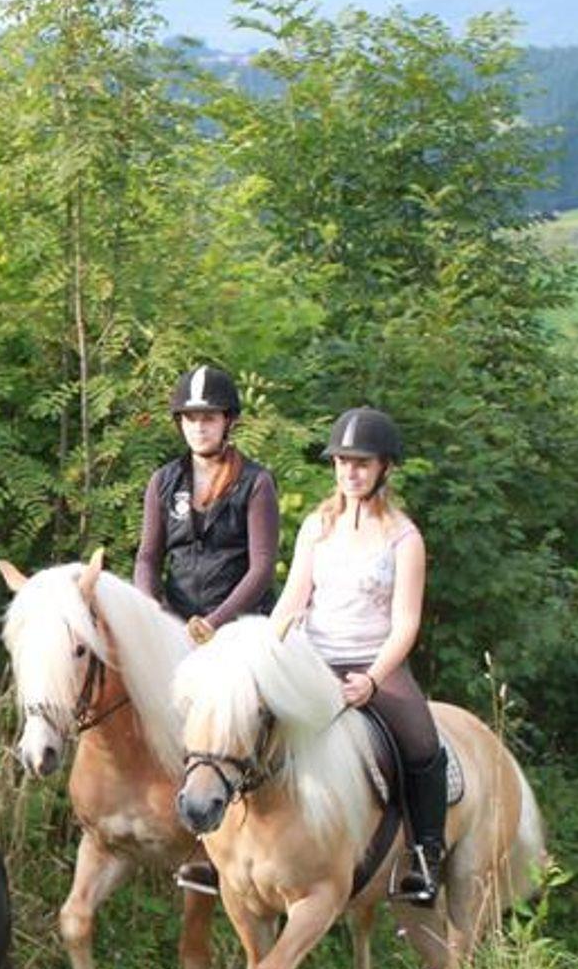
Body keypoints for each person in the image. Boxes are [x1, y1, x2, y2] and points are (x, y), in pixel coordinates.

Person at [268, 405, 447, 905]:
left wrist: (371, 679)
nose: (350, 472)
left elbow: (406, 623)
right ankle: (212, 841)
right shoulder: (316, 527)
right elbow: (292, 600)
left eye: (362, 463)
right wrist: (265, 651)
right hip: (314, 659)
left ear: (384, 468)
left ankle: (425, 857)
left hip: (375, 663)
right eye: (343, 462)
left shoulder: (404, 538)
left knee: (422, 744)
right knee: (248, 721)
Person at [134, 363, 279, 895]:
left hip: (237, 626)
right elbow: (148, 557)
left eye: (209, 418)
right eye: (191, 418)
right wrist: (152, 612)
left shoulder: (256, 483)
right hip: (176, 623)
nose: (199, 427)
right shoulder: (163, 481)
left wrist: (215, 624)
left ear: (228, 422)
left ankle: (216, 848)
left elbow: (261, 568)